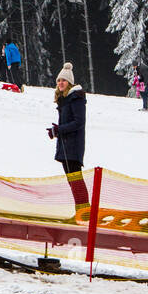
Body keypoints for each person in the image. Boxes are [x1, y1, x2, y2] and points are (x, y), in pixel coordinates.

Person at [48, 63, 89, 210]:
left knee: (75, 179)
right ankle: (81, 210)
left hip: (73, 145)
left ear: (69, 83)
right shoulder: (64, 99)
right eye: (59, 80)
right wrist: (56, 131)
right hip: (66, 145)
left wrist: (59, 130)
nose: (60, 83)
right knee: (72, 180)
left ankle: (84, 210)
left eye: (63, 81)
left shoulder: (75, 99)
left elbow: (78, 122)